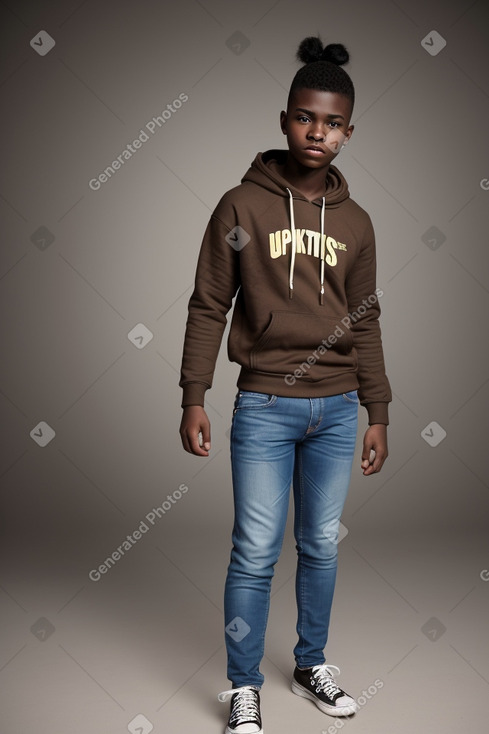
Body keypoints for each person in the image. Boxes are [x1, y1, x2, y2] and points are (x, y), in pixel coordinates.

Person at [179, 35, 391, 734]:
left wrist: (376, 409)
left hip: (334, 410)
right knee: (255, 547)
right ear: (284, 120)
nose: (316, 132)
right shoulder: (240, 206)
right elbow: (209, 302)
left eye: (331, 122)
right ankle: (242, 685)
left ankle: (310, 663)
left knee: (322, 544)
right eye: (305, 118)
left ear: (348, 132)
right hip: (264, 404)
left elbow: (366, 317)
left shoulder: (355, 223)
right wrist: (193, 395)